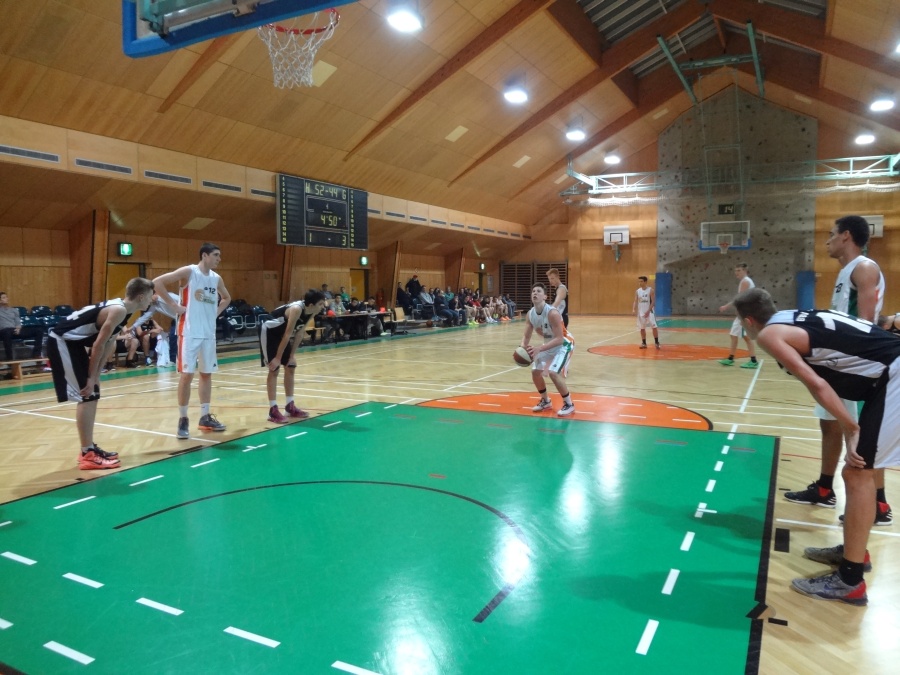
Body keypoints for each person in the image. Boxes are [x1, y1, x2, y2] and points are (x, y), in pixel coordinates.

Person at [733, 287, 900, 605]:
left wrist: (851, 428)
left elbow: (817, 383)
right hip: (887, 374)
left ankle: (850, 580)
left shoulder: (769, 336)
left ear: (749, 321)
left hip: (894, 375)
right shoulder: (791, 317)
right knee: (858, 472)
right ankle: (854, 552)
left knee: (858, 473)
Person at [783, 215, 891, 525]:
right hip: (839, 361)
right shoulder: (848, 270)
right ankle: (824, 488)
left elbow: (866, 326)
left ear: (846, 236)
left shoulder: (864, 268)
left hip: (857, 365)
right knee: (829, 423)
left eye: (832, 234)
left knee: (864, 436)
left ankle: (879, 504)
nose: (827, 240)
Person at [48, 277, 154, 470]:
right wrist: (90, 378)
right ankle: (87, 454)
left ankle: (89, 448)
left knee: (93, 393)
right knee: (87, 394)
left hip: (74, 344)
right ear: (140, 297)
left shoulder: (125, 311)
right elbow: (97, 345)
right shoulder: (119, 310)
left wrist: (96, 377)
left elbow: (108, 344)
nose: (151, 299)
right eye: (150, 296)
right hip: (62, 340)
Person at [153, 242, 231, 440]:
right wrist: (174, 306)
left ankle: (205, 417)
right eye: (216, 255)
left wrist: (215, 313)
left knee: (206, 374)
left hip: (208, 333)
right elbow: (157, 283)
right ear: (204, 255)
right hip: (188, 332)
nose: (219, 259)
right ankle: (183, 418)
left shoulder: (216, 278)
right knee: (187, 375)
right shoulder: (189, 272)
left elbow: (226, 298)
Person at [260, 289, 326, 423]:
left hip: (282, 334)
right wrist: (278, 358)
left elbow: (300, 332)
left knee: (290, 366)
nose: (323, 306)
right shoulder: (296, 309)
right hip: (270, 331)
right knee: (274, 368)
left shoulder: (312, 311)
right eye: (320, 304)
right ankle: (272, 411)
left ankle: (290, 406)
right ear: (311, 304)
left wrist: (291, 355)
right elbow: (287, 334)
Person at [520, 282, 576, 417]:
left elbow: (560, 339)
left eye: (539, 291)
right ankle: (546, 401)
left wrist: (539, 348)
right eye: (533, 291)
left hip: (564, 343)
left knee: (553, 373)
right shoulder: (530, 314)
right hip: (549, 344)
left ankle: (569, 404)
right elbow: (526, 336)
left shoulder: (552, 313)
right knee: (535, 371)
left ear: (545, 296)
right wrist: (521, 349)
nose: (535, 293)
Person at [717, 263, 759, 368]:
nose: (736, 272)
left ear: (745, 270)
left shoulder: (745, 281)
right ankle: (731, 358)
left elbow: (739, 299)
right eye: (735, 270)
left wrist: (726, 306)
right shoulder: (745, 281)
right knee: (733, 334)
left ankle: (753, 361)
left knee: (746, 337)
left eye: (739, 270)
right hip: (743, 313)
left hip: (745, 314)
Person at [0, 292, 44, 361]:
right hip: (3, 331)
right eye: (4, 297)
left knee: (39, 330)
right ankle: (10, 359)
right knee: (6, 332)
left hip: (14, 330)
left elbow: (17, 321)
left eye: (6, 297)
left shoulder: (13, 310)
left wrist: (18, 328)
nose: (7, 299)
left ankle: (36, 354)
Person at [633, 276, 660, 349]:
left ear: (645, 282)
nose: (640, 283)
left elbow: (653, 302)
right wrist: (633, 309)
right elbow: (635, 300)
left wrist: (648, 311)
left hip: (650, 312)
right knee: (642, 328)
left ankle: (657, 342)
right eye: (639, 281)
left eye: (641, 281)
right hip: (641, 312)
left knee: (654, 327)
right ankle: (644, 343)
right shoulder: (638, 291)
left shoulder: (650, 290)